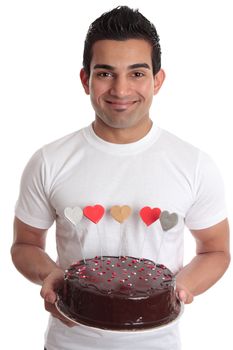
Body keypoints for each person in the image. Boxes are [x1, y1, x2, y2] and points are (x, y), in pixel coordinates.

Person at [11, 5, 230, 350]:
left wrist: (184, 286)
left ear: (158, 80)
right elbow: (24, 244)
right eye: (105, 73)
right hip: (69, 342)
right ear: (86, 80)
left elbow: (216, 249)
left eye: (137, 73)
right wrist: (49, 274)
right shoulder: (49, 160)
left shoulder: (194, 164)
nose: (121, 89)